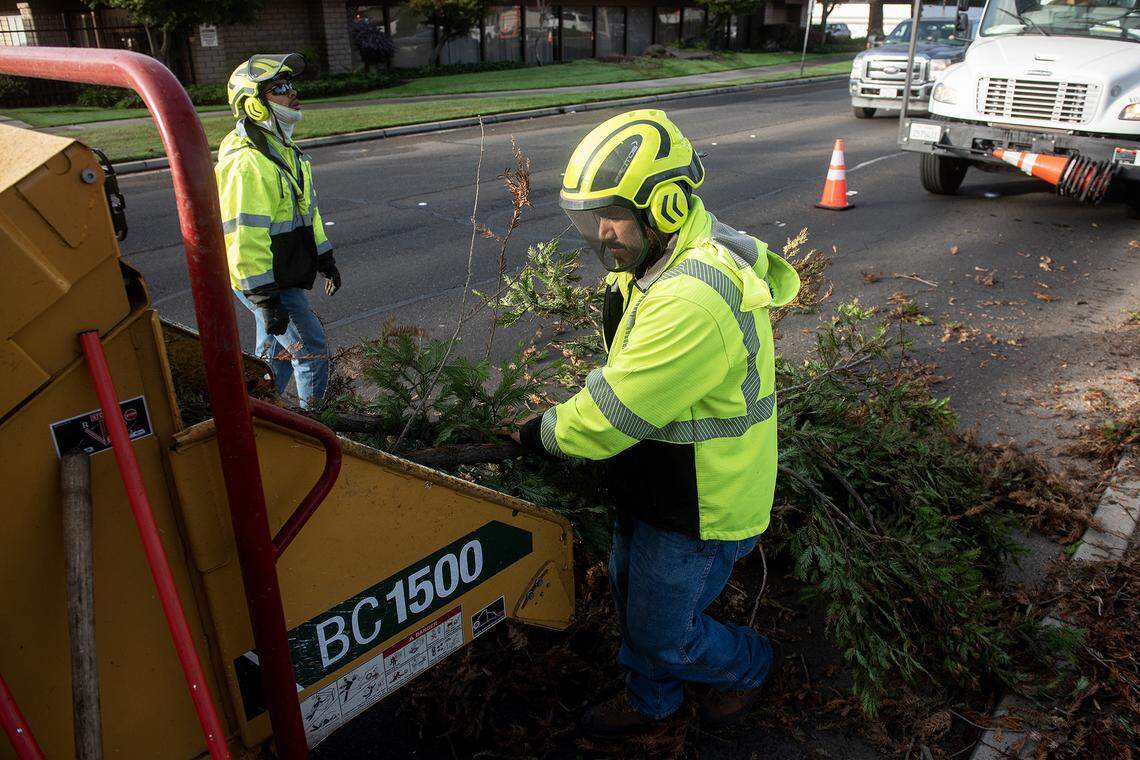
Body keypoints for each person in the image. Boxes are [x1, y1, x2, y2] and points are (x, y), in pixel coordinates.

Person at [515, 109, 801, 736]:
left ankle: (749, 666)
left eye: (609, 216)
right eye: (589, 217)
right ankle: (653, 702)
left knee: (664, 633)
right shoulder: (654, 264)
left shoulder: (693, 296)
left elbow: (615, 411)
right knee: (634, 607)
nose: (599, 233)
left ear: (666, 207)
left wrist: (541, 433)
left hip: (701, 503)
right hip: (655, 480)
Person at [216, 53, 340, 409]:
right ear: (252, 105)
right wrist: (264, 298)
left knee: (273, 357)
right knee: (310, 349)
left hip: (281, 272)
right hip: (267, 280)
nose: (293, 93)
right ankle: (319, 428)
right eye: (280, 88)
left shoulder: (285, 151)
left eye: (290, 85)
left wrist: (324, 256)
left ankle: (256, 414)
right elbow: (243, 236)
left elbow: (306, 213)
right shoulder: (246, 163)